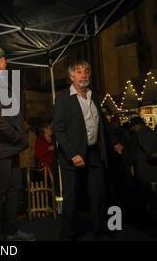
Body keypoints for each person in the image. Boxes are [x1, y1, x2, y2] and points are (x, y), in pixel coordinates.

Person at [52, 60, 123, 241]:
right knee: (73, 197)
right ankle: (67, 234)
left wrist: (114, 142)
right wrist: (72, 154)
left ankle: (98, 229)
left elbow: (104, 123)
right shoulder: (63, 99)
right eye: (78, 72)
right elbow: (58, 129)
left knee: (98, 192)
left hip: (93, 152)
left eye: (86, 71)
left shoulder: (95, 96)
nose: (83, 75)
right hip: (72, 154)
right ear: (71, 76)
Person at [0, 41, 34, 241]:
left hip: (13, 146)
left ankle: (11, 231)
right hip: (3, 146)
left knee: (14, 189)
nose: (6, 60)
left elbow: (11, 112)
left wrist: (20, 129)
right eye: (2, 58)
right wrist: (15, 135)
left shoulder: (1, 79)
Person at [129, 116, 157, 223]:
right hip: (147, 167)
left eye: (134, 126)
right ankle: (153, 212)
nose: (133, 128)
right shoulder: (140, 134)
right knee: (149, 191)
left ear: (139, 125)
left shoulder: (148, 133)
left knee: (150, 192)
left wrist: (156, 153)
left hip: (148, 167)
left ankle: (153, 213)